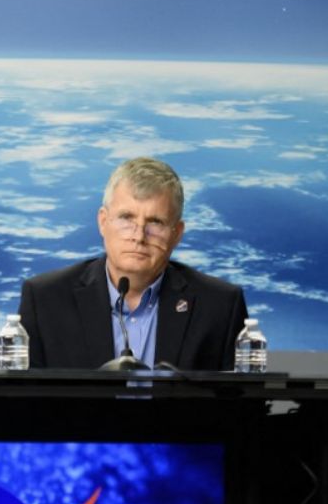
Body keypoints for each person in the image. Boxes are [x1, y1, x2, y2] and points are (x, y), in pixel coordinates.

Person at [17, 157, 248, 370]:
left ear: (176, 234)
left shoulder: (220, 306)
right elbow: (23, 397)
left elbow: (239, 399)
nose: (138, 236)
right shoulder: (45, 299)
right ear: (103, 222)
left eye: (155, 222)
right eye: (126, 218)